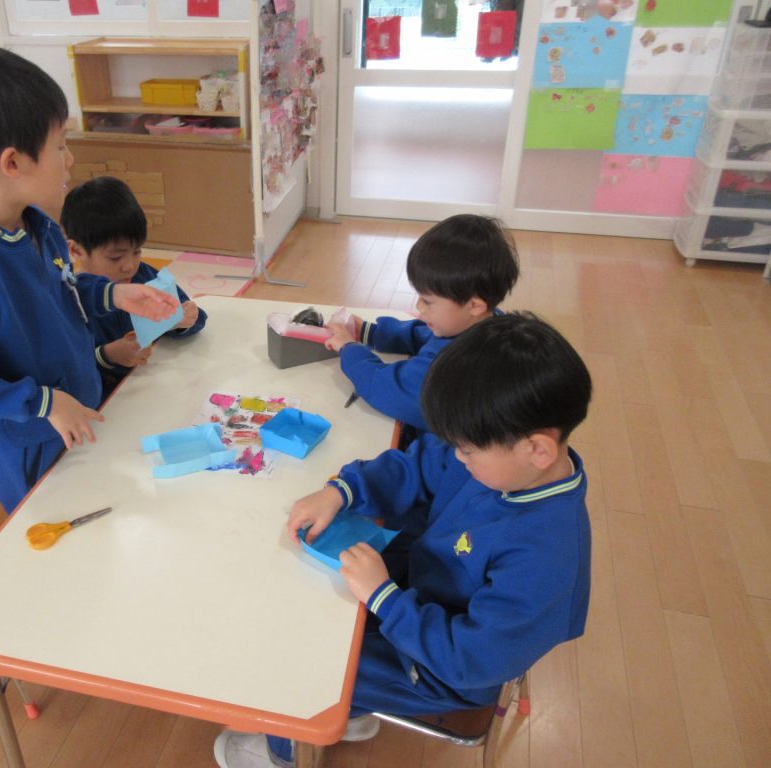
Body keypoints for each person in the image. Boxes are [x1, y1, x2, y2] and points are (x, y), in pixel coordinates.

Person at [214, 312, 593, 768]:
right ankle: (353, 711)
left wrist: (385, 599)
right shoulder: (504, 456)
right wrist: (342, 490)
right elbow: (420, 464)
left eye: (467, 450)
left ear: (538, 449)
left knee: (304, 665)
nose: (457, 457)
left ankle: (283, 753)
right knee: (303, 602)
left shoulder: (548, 555)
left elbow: (470, 659)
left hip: (440, 665)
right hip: (419, 591)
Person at [0, 47, 179, 513]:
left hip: (80, 414)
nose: (69, 159)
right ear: (13, 163)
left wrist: (115, 293)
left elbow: (62, 292)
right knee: (55, 533)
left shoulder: (36, 225)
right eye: (60, 145)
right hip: (34, 442)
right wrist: (44, 403)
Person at [323, 214, 519, 435]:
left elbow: (385, 389)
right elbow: (423, 335)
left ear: (474, 305)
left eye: (427, 301)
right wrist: (370, 332)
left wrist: (349, 349)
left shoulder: (455, 369)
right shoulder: (484, 323)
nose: (419, 306)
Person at [60, 176, 207, 401]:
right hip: (110, 402)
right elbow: (66, 372)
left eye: (137, 251)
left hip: (157, 389)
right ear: (77, 251)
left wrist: (182, 321)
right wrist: (106, 355)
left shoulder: (144, 276)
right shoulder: (71, 299)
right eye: (115, 257)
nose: (129, 266)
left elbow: (196, 317)